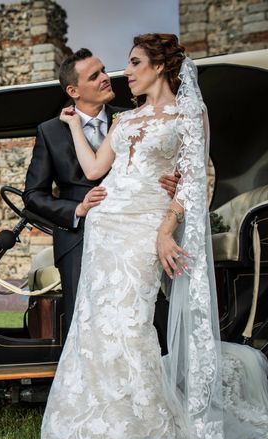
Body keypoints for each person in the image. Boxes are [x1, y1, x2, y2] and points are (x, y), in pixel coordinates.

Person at [40, 33, 268, 439]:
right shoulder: (124, 121)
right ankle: (97, 428)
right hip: (105, 227)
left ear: (159, 67)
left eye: (134, 63)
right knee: (95, 326)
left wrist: (167, 229)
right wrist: (71, 127)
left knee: (132, 323)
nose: (127, 73)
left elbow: (192, 179)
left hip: (146, 227)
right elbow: (92, 170)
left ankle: (147, 429)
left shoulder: (190, 114)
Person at [23, 48, 178, 351]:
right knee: (87, 319)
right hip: (77, 238)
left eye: (104, 70)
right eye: (95, 76)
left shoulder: (130, 118)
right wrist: (77, 209)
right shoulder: (50, 131)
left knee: (146, 311)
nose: (107, 78)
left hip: (133, 232)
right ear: (73, 90)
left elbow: (158, 161)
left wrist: (172, 182)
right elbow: (33, 195)